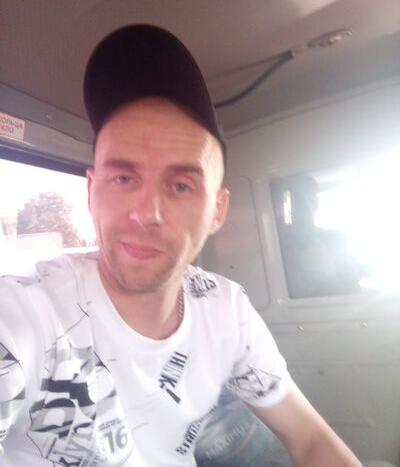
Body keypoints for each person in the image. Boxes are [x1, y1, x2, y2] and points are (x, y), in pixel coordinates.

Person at [0, 25, 362, 466]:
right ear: (91, 192)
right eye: (123, 177)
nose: (146, 213)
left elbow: (311, 440)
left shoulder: (226, 310)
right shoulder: (23, 318)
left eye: (180, 185)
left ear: (217, 211)